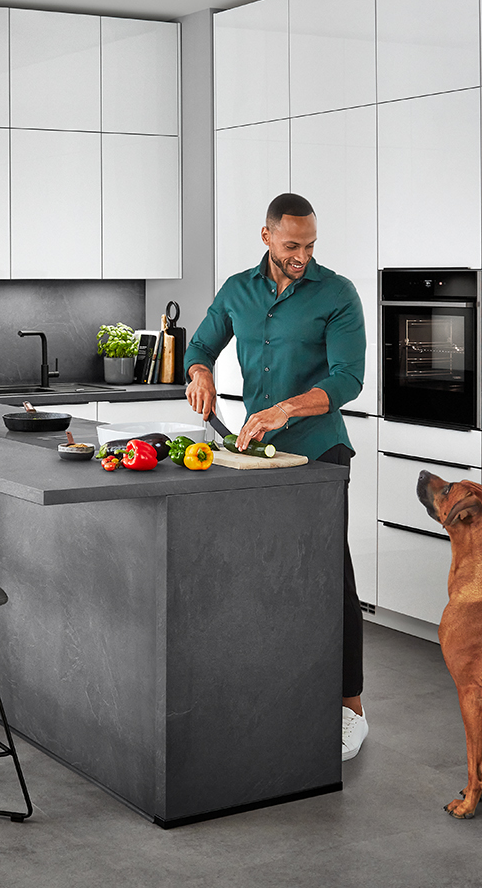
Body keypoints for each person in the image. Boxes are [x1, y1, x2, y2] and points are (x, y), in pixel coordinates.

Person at [182, 192, 370, 761]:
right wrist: (200, 372)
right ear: (266, 236)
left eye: (310, 244)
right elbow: (202, 342)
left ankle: (350, 710)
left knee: (329, 576)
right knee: (266, 575)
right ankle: (282, 690)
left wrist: (286, 409)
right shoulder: (237, 290)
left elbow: (348, 379)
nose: (302, 255)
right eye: (292, 245)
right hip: (257, 454)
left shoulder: (336, 293)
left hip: (318, 450)